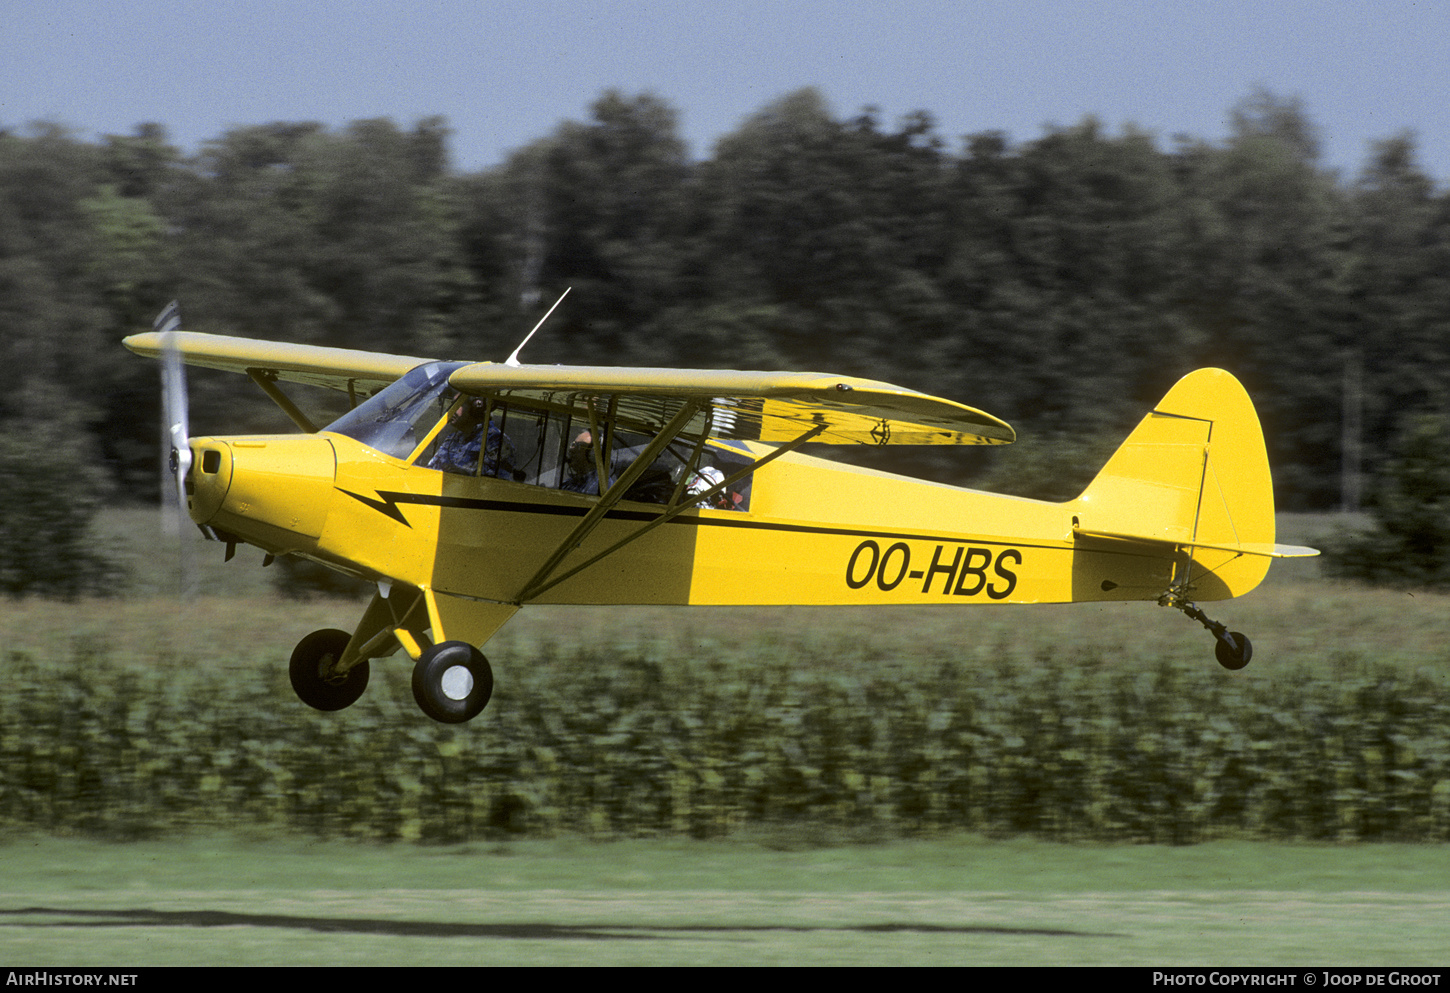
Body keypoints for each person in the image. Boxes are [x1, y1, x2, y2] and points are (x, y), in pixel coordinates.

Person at [427, 396, 519, 478]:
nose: (450, 410)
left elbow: (499, 484)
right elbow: (431, 468)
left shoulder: (495, 440)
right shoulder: (452, 438)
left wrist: (464, 474)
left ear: (476, 409)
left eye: (457, 405)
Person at [560, 430, 615, 494]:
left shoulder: (602, 486)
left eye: (578, 446)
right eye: (572, 444)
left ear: (593, 454)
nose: (571, 450)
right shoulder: (571, 482)